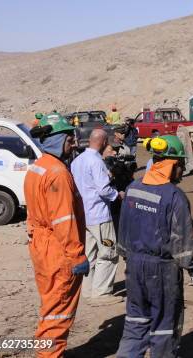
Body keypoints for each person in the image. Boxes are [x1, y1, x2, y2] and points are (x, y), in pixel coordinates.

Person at [116, 135, 193, 358]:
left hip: (134, 266)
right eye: (181, 165)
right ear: (172, 165)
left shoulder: (133, 188)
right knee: (164, 326)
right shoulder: (174, 196)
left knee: (135, 323)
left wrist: (127, 256)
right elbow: (181, 240)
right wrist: (192, 268)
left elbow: (123, 228)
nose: (182, 171)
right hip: (162, 270)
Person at [24, 112, 89, 358]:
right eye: (69, 140)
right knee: (59, 309)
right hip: (58, 249)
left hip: (40, 244)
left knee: (50, 303)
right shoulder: (58, 173)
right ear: (55, 140)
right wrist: (77, 256)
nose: (73, 144)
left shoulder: (38, 167)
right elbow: (65, 220)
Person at [71, 129, 124, 304]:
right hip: (99, 215)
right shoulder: (96, 162)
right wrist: (117, 195)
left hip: (84, 215)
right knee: (108, 253)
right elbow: (103, 189)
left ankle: (88, 290)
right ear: (102, 142)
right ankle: (101, 293)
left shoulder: (77, 161)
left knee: (90, 254)